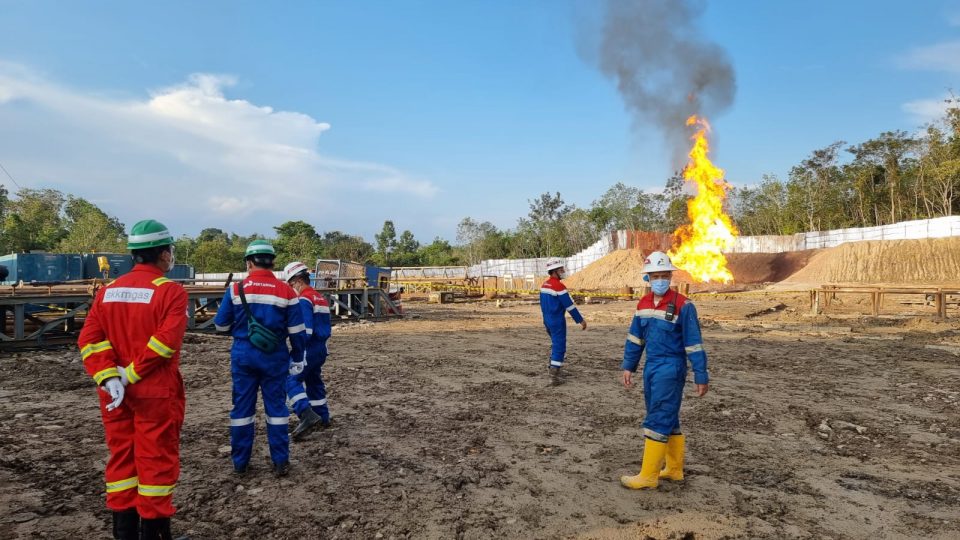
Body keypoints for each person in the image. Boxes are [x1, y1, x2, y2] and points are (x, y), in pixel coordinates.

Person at [78, 219, 188, 540]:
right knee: (155, 463)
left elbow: (90, 340)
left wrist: (108, 376)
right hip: (153, 392)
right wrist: (131, 374)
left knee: (122, 459)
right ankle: (154, 535)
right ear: (164, 254)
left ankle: (124, 534)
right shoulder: (170, 292)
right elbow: (165, 344)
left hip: (114, 395)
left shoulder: (108, 292)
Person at [213, 240, 306, 477]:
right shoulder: (286, 291)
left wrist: (241, 330)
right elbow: (297, 331)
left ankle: (240, 463)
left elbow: (221, 326)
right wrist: (297, 357)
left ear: (249, 262)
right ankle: (280, 462)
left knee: (242, 409)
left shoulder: (236, 290)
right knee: (276, 408)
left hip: (243, 356)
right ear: (273, 262)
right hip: (275, 357)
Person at [620, 251, 709, 490]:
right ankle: (674, 469)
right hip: (651, 367)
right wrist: (629, 366)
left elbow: (694, 343)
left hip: (671, 367)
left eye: (664, 275)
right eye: (655, 275)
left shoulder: (683, 305)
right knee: (668, 417)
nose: (660, 279)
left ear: (671, 276)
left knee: (658, 416)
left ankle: (648, 476)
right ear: (647, 278)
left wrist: (701, 374)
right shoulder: (643, 304)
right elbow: (635, 339)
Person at [283, 261, 333, 440]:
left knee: (290, 379)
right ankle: (323, 416)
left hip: (307, 348)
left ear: (297, 281)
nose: (290, 288)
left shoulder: (304, 299)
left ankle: (306, 413)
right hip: (321, 349)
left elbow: (306, 330)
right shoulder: (319, 298)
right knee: (313, 380)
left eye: (290, 284)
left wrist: (294, 348)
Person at [539, 258, 587, 385]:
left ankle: (554, 368)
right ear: (554, 271)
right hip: (557, 321)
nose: (563, 271)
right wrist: (580, 320)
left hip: (547, 320)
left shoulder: (545, 285)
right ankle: (553, 376)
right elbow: (569, 306)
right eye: (561, 270)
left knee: (555, 344)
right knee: (559, 346)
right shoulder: (558, 286)